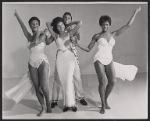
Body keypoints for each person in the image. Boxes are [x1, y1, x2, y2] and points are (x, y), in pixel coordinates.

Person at [73, 7, 141, 114]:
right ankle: (103, 105)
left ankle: (104, 99)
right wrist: (77, 44)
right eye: (104, 24)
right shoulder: (97, 36)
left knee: (112, 81)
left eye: (107, 24)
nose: (106, 26)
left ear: (110, 25)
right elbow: (88, 48)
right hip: (99, 59)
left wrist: (135, 12)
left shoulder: (114, 34)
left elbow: (128, 25)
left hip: (109, 59)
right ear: (101, 25)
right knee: (102, 81)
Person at [4, 10, 53, 116]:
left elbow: (37, 42)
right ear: (30, 26)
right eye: (32, 24)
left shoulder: (43, 35)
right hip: (32, 63)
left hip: (42, 61)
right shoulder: (29, 36)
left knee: (44, 86)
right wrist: (17, 16)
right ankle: (43, 107)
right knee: (36, 87)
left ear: (38, 25)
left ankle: (48, 103)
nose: (34, 25)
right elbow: (22, 26)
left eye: (36, 23)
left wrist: (44, 32)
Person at [51, 12, 87, 108]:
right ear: (62, 20)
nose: (67, 19)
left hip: (72, 54)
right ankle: (54, 99)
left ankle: (80, 97)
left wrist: (71, 28)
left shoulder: (71, 30)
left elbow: (77, 41)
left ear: (71, 19)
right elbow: (51, 40)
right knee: (57, 78)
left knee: (77, 76)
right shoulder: (58, 29)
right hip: (61, 56)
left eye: (69, 18)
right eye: (65, 18)